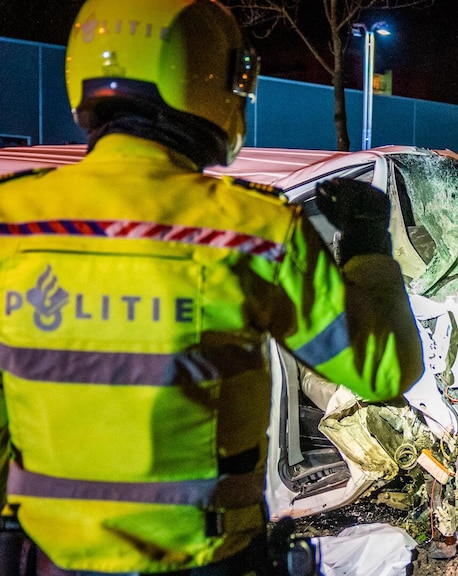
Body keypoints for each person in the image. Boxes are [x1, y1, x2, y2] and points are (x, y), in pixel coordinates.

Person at [0, 0, 424, 574]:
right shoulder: (255, 233)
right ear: (207, 79)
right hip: (209, 559)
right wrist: (368, 245)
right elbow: (385, 371)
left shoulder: (12, 222)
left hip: (48, 559)